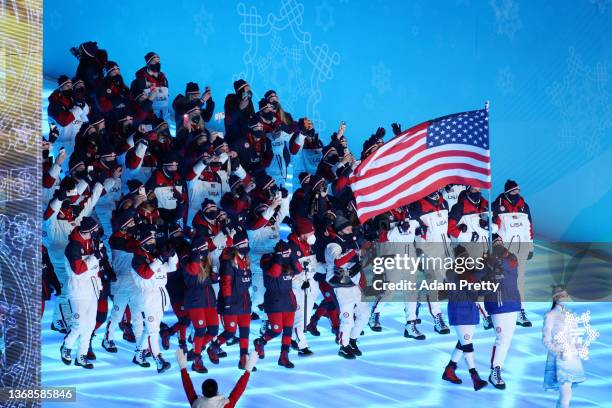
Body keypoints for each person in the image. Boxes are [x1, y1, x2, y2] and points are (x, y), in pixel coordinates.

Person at [130, 225, 178, 373]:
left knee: (152, 329)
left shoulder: (154, 255)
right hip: (147, 298)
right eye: (149, 241)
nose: (153, 243)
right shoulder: (137, 259)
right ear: (143, 243)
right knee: (152, 331)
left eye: (153, 241)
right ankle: (159, 360)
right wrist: (160, 258)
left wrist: (172, 254)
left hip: (159, 297)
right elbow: (146, 274)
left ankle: (139, 355)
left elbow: (173, 268)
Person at [442, 246, 488, 391]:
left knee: (463, 344)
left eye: (467, 257)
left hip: (468, 312)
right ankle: (475, 377)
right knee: (467, 346)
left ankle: (449, 370)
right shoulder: (454, 273)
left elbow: (478, 284)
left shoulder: (466, 272)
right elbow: (471, 279)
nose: (467, 260)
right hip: (461, 313)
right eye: (464, 257)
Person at [60, 217, 102, 369]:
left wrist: (99, 284)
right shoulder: (73, 246)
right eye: (95, 230)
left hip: (92, 290)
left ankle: (81, 356)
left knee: (90, 325)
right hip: (78, 291)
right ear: (89, 231)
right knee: (78, 325)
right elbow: (78, 270)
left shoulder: (92, 243)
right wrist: (93, 258)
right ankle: (66, 346)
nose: (97, 232)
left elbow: (95, 268)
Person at [325, 215, 368, 359]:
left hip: (354, 284)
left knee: (364, 315)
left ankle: (352, 340)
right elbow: (338, 262)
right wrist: (354, 252)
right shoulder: (333, 245)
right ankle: (343, 346)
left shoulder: (351, 242)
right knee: (347, 319)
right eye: (347, 228)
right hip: (341, 287)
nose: (351, 230)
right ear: (340, 230)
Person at [493, 179, 534, 328]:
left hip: (521, 249)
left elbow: (529, 228)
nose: (517, 193)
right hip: (505, 251)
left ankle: (520, 311)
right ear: (508, 192)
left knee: (519, 280)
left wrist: (530, 247)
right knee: (503, 280)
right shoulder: (498, 205)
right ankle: (501, 311)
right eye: (514, 191)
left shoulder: (524, 206)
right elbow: (493, 229)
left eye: (518, 191)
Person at [211, 231, 255, 370]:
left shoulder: (246, 259)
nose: (245, 246)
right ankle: (214, 347)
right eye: (242, 244)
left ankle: (243, 360)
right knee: (230, 332)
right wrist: (228, 303)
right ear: (236, 246)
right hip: (230, 303)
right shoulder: (228, 261)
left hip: (244, 302)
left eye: (246, 243)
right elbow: (226, 283)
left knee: (245, 332)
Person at [410, 190, 451, 335]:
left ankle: (416, 302)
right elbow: (412, 228)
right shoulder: (417, 205)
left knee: (437, 283)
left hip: (444, 250)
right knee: (433, 283)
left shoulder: (443, 202)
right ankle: (437, 317)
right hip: (426, 251)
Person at [484, 234, 522, 389]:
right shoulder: (486, 259)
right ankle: (495, 370)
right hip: (497, 305)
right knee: (501, 338)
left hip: (512, 304)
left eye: (500, 241)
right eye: (496, 242)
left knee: (506, 340)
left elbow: (512, 265)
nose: (499, 243)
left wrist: (498, 262)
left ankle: (497, 367)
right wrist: (489, 264)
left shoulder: (511, 257)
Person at [253, 241, 297, 368]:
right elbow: (275, 273)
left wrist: (292, 256)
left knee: (288, 330)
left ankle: (284, 356)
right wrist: (278, 256)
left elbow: (298, 270)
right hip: (274, 300)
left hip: (288, 299)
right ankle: (260, 341)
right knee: (277, 330)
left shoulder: (288, 261)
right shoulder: (267, 259)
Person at [542, 286, 585, 408]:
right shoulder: (550, 315)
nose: (566, 298)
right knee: (565, 393)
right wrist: (559, 351)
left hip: (572, 357)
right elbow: (546, 339)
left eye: (566, 295)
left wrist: (579, 347)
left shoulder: (570, 315)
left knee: (566, 393)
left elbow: (575, 334)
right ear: (556, 298)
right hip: (560, 358)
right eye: (563, 295)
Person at [182, 235, 219, 373]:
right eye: (201, 250)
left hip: (209, 298)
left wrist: (213, 277)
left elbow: (213, 279)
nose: (205, 252)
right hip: (195, 299)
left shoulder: (207, 259)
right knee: (200, 329)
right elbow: (194, 273)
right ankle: (197, 360)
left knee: (214, 330)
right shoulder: (187, 259)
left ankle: (196, 350)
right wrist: (196, 255)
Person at [177, 348, 258, 408]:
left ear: (203, 392)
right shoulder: (225, 405)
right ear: (217, 391)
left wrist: (183, 368)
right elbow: (238, 389)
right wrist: (248, 371)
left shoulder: (197, 404)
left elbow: (188, 388)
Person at [287, 218, 318, 356]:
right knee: (300, 317)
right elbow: (296, 267)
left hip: (309, 282)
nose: (313, 235)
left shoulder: (306, 244)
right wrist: (300, 280)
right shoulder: (292, 246)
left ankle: (292, 340)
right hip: (298, 285)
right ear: (303, 233)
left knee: (306, 316)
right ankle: (302, 346)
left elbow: (312, 263)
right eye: (310, 232)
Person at [135, 52, 170, 120]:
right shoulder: (142, 78)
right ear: (148, 63)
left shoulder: (163, 78)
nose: (157, 63)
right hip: (149, 116)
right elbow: (138, 99)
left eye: (158, 61)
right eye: (154, 61)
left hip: (163, 116)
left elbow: (166, 95)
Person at [224, 79, 254, 143]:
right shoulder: (231, 100)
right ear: (241, 90)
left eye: (250, 89)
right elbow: (228, 121)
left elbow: (252, 117)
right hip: (235, 140)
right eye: (247, 89)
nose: (250, 91)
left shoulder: (249, 101)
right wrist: (239, 109)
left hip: (247, 138)